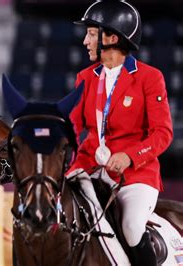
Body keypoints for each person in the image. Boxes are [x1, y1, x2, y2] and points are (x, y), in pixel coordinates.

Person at [67, 1, 173, 265]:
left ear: (112, 37)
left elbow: (163, 133)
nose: (85, 41)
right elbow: (72, 127)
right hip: (89, 167)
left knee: (131, 225)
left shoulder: (150, 78)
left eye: (91, 34)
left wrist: (130, 156)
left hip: (135, 175)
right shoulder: (85, 77)